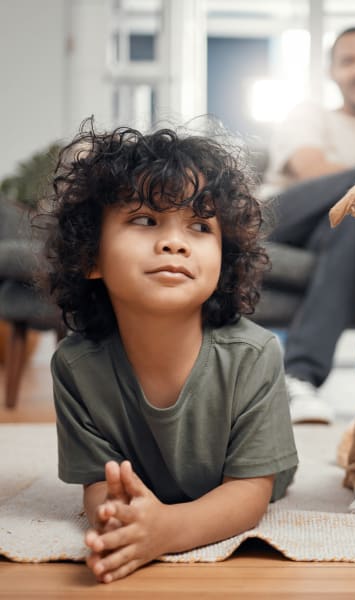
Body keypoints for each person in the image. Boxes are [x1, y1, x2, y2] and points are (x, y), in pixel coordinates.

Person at [44, 120, 298, 583]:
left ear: (224, 261)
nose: (175, 242)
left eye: (200, 226)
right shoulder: (75, 366)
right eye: (146, 220)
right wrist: (120, 523)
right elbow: (100, 485)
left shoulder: (254, 354)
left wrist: (168, 530)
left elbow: (249, 494)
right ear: (90, 257)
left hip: (247, 478)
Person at [261, 27, 355, 424]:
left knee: (347, 227)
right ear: (332, 73)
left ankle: (300, 378)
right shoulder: (310, 114)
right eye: (349, 61)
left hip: (337, 232)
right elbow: (308, 169)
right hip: (277, 218)